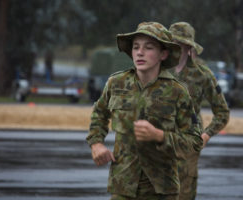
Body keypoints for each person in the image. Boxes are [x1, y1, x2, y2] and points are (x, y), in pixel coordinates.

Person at [86, 21, 203, 200]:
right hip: (123, 185)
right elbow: (99, 114)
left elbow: (194, 142)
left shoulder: (177, 92)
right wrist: (96, 143)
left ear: (163, 54)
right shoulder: (116, 83)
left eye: (148, 47)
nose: (140, 52)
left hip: (162, 189)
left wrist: (159, 136)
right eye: (136, 47)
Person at [168, 22, 230, 200]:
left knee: (184, 193)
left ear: (189, 47)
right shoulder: (157, 71)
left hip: (188, 143)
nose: (176, 48)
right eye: (172, 44)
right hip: (158, 142)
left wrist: (206, 134)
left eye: (180, 44)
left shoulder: (202, 75)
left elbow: (222, 112)